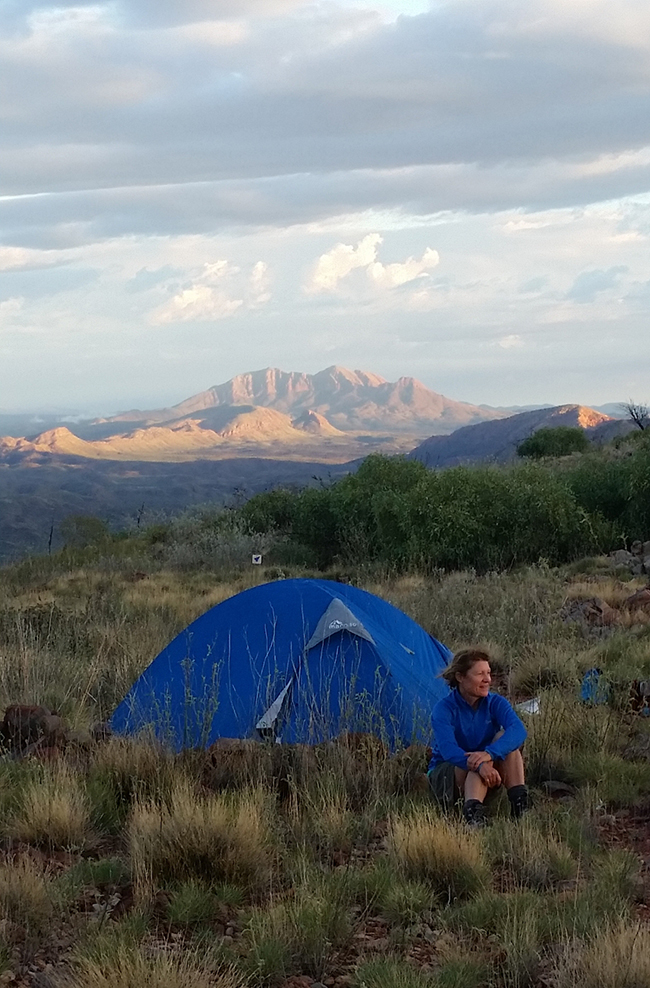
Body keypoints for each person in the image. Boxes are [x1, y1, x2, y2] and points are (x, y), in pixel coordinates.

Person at [428, 648, 529, 827]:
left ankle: (520, 804)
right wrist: (481, 763)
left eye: (488, 673)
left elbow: (518, 730)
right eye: (480, 674)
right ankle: (473, 814)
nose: (487, 680)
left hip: (487, 770)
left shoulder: (495, 702)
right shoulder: (444, 709)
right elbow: (449, 750)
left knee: (505, 740)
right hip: (450, 773)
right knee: (476, 759)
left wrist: (489, 754)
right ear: (460, 677)